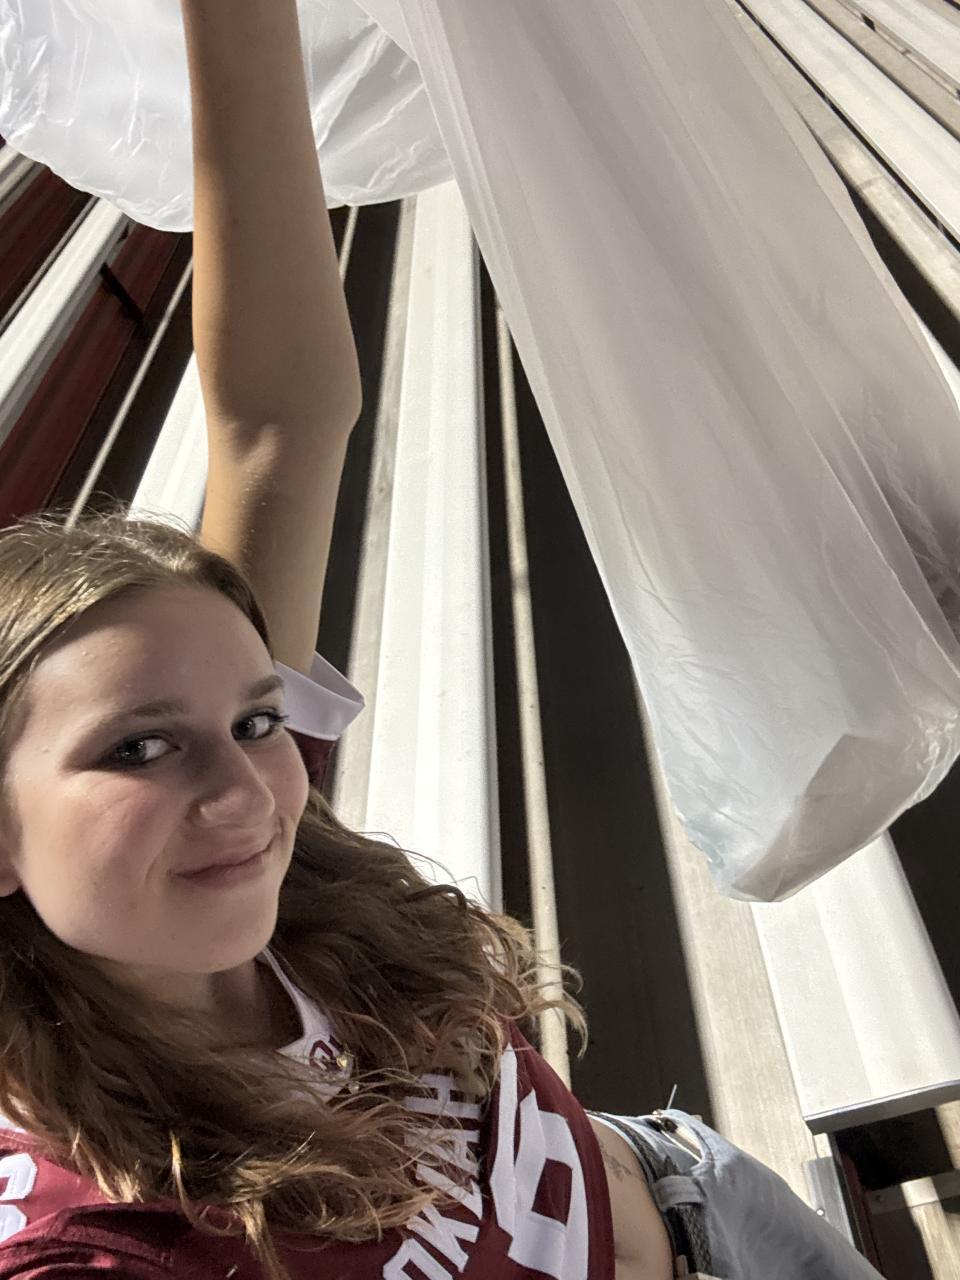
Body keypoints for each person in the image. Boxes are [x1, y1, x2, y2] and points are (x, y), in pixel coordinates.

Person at [0, 2, 886, 1279]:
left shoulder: (265, 869)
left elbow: (279, 420)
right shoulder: (91, 1234)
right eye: (139, 746)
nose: (249, 788)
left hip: (700, 1188)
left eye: (257, 716)